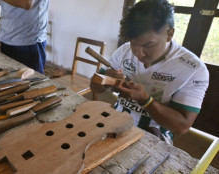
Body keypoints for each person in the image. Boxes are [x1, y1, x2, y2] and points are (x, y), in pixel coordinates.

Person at [90, 0, 209, 144]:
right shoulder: (124, 50)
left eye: (148, 45)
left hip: (154, 135)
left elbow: (182, 126)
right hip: (114, 120)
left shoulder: (193, 69)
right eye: (134, 44)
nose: (139, 54)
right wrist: (106, 80)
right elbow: (94, 87)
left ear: (169, 34)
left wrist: (145, 100)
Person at [0, 0, 49, 74]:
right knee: (10, 81)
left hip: (27, 42)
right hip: (8, 38)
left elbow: (26, 3)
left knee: (30, 82)